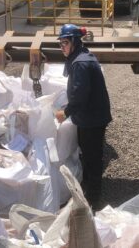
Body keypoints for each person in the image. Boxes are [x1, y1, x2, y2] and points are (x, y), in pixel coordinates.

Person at [55, 23, 112, 208]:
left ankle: (93, 201)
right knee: (87, 155)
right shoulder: (81, 56)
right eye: (60, 44)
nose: (61, 47)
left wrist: (65, 112)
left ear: (73, 42)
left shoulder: (80, 63)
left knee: (93, 158)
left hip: (92, 119)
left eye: (63, 43)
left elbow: (79, 95)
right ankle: (87, 188)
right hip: (90, 116)